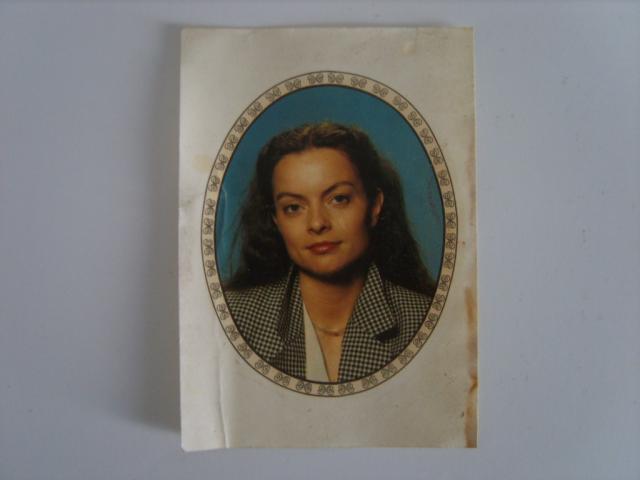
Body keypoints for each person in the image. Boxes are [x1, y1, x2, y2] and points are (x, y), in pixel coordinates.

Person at [225, 122, 435, 383]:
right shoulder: (232, 316)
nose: (317, 223)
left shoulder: (426, 317)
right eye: (293, 207)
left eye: (338, 199)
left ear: (374, 206)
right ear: (276, 220)